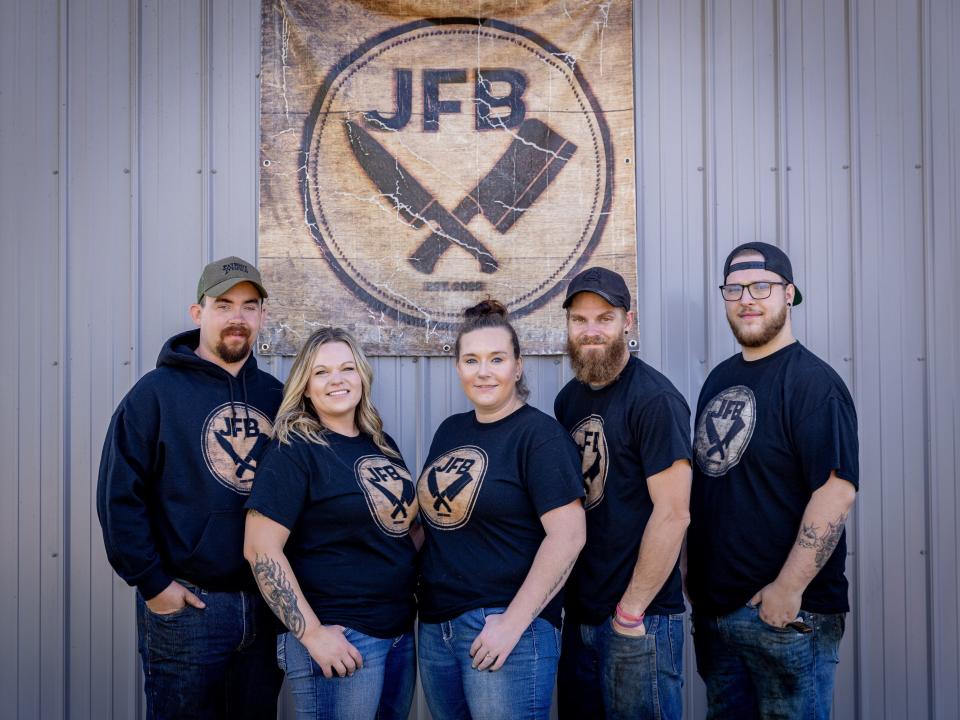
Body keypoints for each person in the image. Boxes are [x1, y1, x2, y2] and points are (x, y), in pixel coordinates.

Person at [96, 256, 284, 719]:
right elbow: (118, 495)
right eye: (224, 305)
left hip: (266, 608)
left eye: (249, 306)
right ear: (198, 313)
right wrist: (155, 585)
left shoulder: (278, 398)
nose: (237, 317)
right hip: (190, 609)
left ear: (262, 316)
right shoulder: (155, 394)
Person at [687, 241, 859, 719]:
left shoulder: (813, 383)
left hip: (785, 618)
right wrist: (689, 569)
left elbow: (837, 490)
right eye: (735, 288)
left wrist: (787, 589)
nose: (747, 298)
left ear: (789, 294)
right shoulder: (718, 379)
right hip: (718, 615)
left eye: (761, 286)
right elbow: (709, 482)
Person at [415, 299, 586, 720]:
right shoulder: (449, 431)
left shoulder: (539, 437)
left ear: (518, 366)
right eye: (471, 360)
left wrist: (512, 623)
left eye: (496, 359)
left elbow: (569, 535)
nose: (484, 371)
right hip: (438, 627)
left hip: (506, 627)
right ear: (457, 367)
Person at [244, 327, 418, 720]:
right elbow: (259, 548)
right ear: (305, 387)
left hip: (397, 634)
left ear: (362, 376)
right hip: (340, 638)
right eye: (321, 372)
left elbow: (403, 529)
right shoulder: (294, 449)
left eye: (346, 368)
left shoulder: (381, 444)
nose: (336, 380)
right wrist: (313, 635)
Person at [553, 266, 693, 720]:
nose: (591, 331)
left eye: (605, 317)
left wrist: (630, 612)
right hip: (582, 617)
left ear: (627, 321)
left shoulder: (655, 400)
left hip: (639, 620)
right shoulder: (568, 400)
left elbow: (674, 514)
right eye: (580, 319)